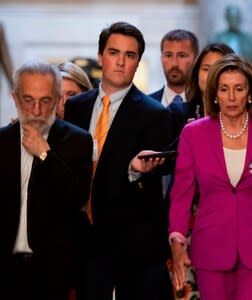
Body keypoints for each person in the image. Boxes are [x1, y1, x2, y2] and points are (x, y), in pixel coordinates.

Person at [169, 54, 252, 300]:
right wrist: (177, 240)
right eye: (224, 89)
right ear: (215, 94)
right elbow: (182, 193)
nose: (231, 97)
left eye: (238, 89)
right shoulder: (193, 134)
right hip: (211, 246)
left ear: (250, 93)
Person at [64, 21, 176, 299]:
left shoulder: (155, 114)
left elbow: (161, 174)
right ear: (101, 56)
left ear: (138, 62)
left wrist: (135, 171)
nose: (121, 62)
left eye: (130, 55)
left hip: (132, 246)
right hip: (81, 239)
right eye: (114, 52)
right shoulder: (75, 107)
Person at [0, 60, 92, 300]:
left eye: (45, 101)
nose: (37, 111)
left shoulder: (77, 141)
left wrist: (44, 154)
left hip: (53, 274)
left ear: (58, 98)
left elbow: (76, 197)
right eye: (29, 100)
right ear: (15, 98)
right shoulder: (2, 141)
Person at [210, 5, 252, 97]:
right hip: (221, 82)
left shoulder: (250, 41)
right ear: (227, 18)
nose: (234, 21)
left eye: (236, 18)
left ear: (240, 19)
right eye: (231, 17)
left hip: (246, 83)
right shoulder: (216, 39)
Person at [150, 29, 198, 122]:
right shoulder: (145, 106)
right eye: (168, 55)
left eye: (182, 55)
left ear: (196, 60)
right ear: (161, 59)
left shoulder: (205, 106)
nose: (174, 63)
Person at [184, 42, 234, 121]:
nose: (211, 76)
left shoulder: (241, 117)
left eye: (218, 70)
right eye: (206, 69)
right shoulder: (178, 112)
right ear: (197, 73)